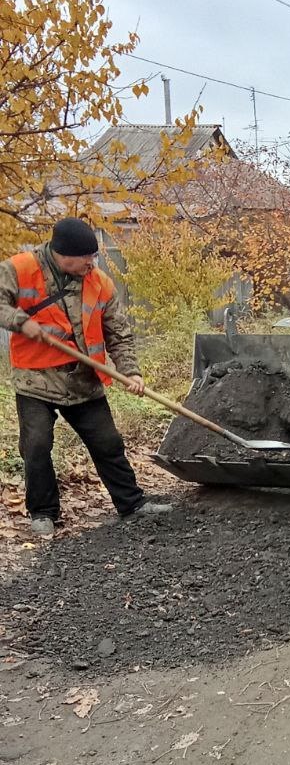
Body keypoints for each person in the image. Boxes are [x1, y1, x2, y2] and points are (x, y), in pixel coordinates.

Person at [0, 218, 172, 536]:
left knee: (108, 442)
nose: (92, 263)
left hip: (83, 379)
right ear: (64, 254)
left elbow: (118, 331)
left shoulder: (100, 282)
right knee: (36, 444)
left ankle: (131, 504)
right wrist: (20, 321)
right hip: (36, 378)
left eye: (94, 257)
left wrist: (130, 370)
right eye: (87, 257)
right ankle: (43, 513)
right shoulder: (20, 268)